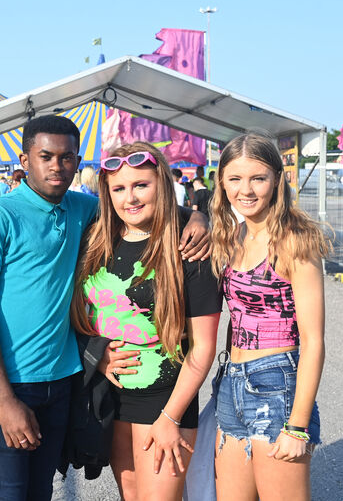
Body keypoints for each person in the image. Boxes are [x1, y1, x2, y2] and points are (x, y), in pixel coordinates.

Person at [0, 115, 211, 500]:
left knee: (40, 492)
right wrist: (2, 397)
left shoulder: (83, 209)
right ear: (24, 158)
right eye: (45, 156)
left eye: (66, 158)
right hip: (9, 384)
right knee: (6, 494)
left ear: (78, 161)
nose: (56, 166)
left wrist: (198, 216)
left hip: (62, 382)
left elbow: (143, 204)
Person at [71, 142, 221, 500]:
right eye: (119, 188)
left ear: (162, 185)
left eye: (141, 185)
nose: (130, 198)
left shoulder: (187, 248)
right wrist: (98, 356)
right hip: (110, 401)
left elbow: (203, 348)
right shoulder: (95, 240)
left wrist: (171, 418)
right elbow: (75, 318)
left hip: (165, 401)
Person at [210, 133, 328, 500]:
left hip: (277, 385)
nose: (246, 190)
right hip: (231, 383)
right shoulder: (231, 236)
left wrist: (297, 426)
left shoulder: (294, 241)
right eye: (235, 178)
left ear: (277, 179)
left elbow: (313, 341)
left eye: (258, 178)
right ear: (221, 182)